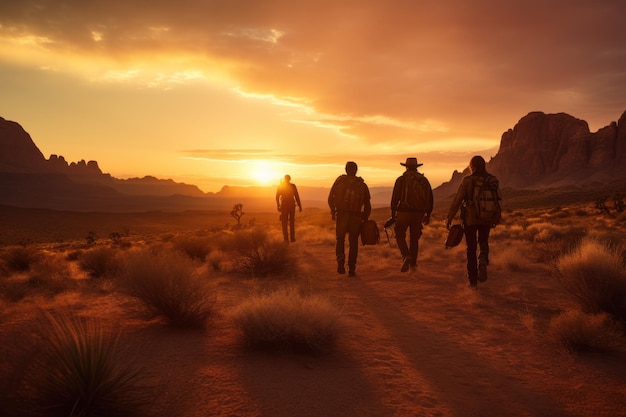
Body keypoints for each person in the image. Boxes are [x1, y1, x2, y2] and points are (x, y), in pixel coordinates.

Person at [446, 155, 501, 289]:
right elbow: (498, 200)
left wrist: (449, 217)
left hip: (470, 219)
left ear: (472, 167)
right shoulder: (492, 180)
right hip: (486, 218)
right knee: (483, 242)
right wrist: (496, 217)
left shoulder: (467, 181)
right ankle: (482, 259)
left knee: (471, 249)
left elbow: (457, 200)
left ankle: (473, 283)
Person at [328, 161, 371, 277]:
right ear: (356, 170)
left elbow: (330, 198)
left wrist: (333, 212)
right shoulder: (361, 184)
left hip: (341, 215)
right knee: (353, 242)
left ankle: (340, 262)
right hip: (356, 216)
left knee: (340, 239)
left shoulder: (339, 182)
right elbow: (367, 203)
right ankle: (352, 268)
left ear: (346, 170)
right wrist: (365, 218)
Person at [390, 157, 433, 272]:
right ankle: (413, 264)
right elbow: (430, 198)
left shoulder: (401, 179)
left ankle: (406, 255)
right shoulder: (424, 181)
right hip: (418, 214)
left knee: (399, 235)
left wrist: (393, 214)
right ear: (417, 167)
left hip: (403, 213)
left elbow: (395, 199)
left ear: (406, 167)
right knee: (414, 239)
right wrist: (427, 214)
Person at [275, 174, 302, 242]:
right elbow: (296, 196)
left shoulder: (282, 186)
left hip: (285, 205)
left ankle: (286, 238)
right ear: (289, 179)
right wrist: (299, 206)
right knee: (291, 222)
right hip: (290, 205)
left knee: (285, 222)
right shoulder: (292, 186)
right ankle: (291, 238)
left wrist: (278, 205)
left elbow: (277, 197)